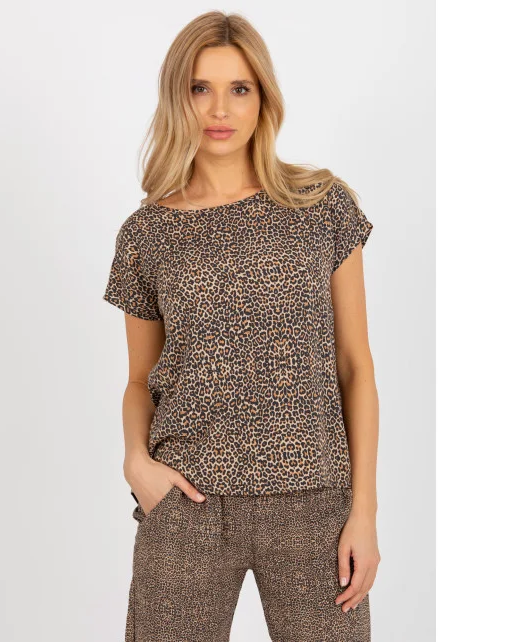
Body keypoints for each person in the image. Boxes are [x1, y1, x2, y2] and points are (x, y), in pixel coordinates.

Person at [102, 10, 380, 642]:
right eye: (200, 88)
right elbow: (141, 380)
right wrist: (136, 463)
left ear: (264, 99)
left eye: (239, 88)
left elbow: (355, 365)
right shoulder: (146, 233)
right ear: (178, 98)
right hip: (187, 501)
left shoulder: (322, 207)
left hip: (314, 502)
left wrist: (363, 511)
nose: (219, 109)